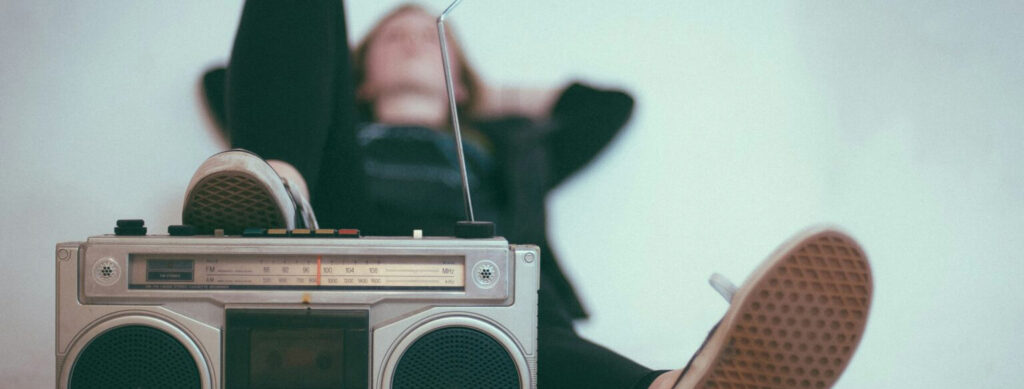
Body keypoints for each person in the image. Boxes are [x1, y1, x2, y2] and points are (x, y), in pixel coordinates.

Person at [189, 2, 873, 388]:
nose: (409, 41)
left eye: (430, 42)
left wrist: (487, 95)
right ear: (358, 74)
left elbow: (609, 106)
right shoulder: (338, 130)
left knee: (538, 342)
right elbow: (233, 77)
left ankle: (676, 387)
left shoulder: (512, 146)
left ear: (461, 81)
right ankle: (278, 190)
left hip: (494, 291)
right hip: (343, 246)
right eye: (391, 39)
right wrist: (330, 103)